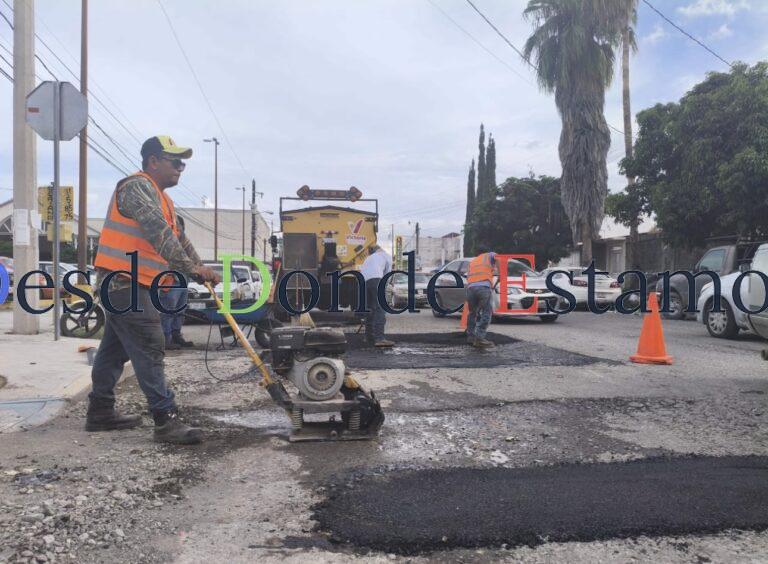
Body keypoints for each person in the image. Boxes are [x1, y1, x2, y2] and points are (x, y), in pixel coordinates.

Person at [87, 135, 220, 445]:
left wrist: (202, 270)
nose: (180, 168)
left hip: (133, 284)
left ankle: (100, 412)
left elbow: (180, 241)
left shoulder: (165, 201)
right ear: (153, 162)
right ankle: (165, 419)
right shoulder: (136, 187)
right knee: (150, 342)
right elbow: (157, 231)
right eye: (175, 162)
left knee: (112, 351)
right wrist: (191, 269)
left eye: (183, 163)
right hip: (123, 283)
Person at [160, 216, 194, 351]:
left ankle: (176, 335)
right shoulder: (165, 242)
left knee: (180, 312)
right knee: (168, 312)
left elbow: (190, 259)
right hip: (171, 281)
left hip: (183, 281)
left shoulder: (183, 243)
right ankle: (165, 339)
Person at [360, 244, 394, 347]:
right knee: (380, 308)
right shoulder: (385, 255)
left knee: (370, 308)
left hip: (363, 282)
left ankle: (368, 337)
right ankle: (379, 339)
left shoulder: (368, 258)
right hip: (376, 280)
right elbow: (387, 273)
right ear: (381, 249)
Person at [466, 246, 496, 349]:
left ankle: (470, 336)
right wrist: (499, 273)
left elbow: (468, 276)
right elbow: (498, 258)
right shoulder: (489, 255)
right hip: (483, 287)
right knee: (487, 312)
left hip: (470, 288)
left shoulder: (473, 261)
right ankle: (479, 338)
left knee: (472, 313)